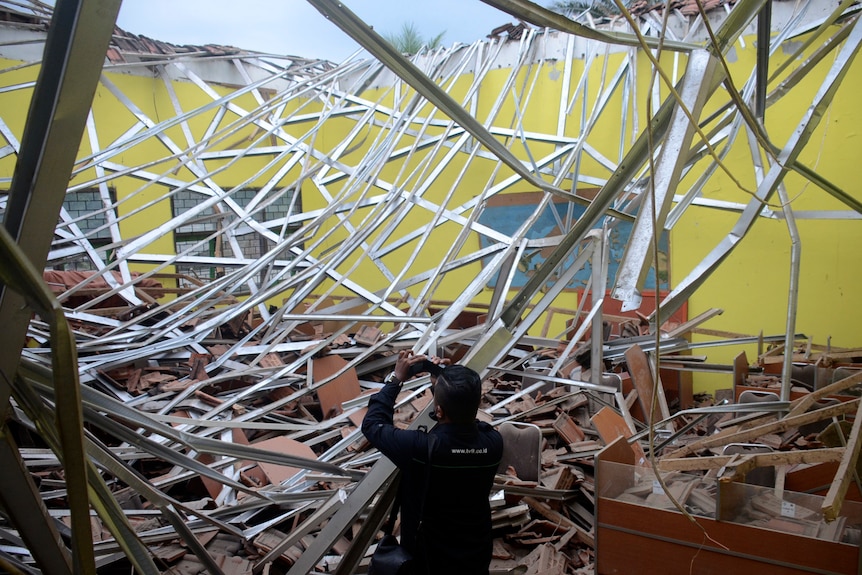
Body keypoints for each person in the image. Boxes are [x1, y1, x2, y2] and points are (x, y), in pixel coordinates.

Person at [362, 350, 504, 575]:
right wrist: (451, 386)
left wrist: (395, 379)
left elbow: (372, 425)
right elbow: (460, 423)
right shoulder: (493, 444)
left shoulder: (420, 449)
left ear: (438, 410)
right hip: (475, 552)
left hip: (429, 558)